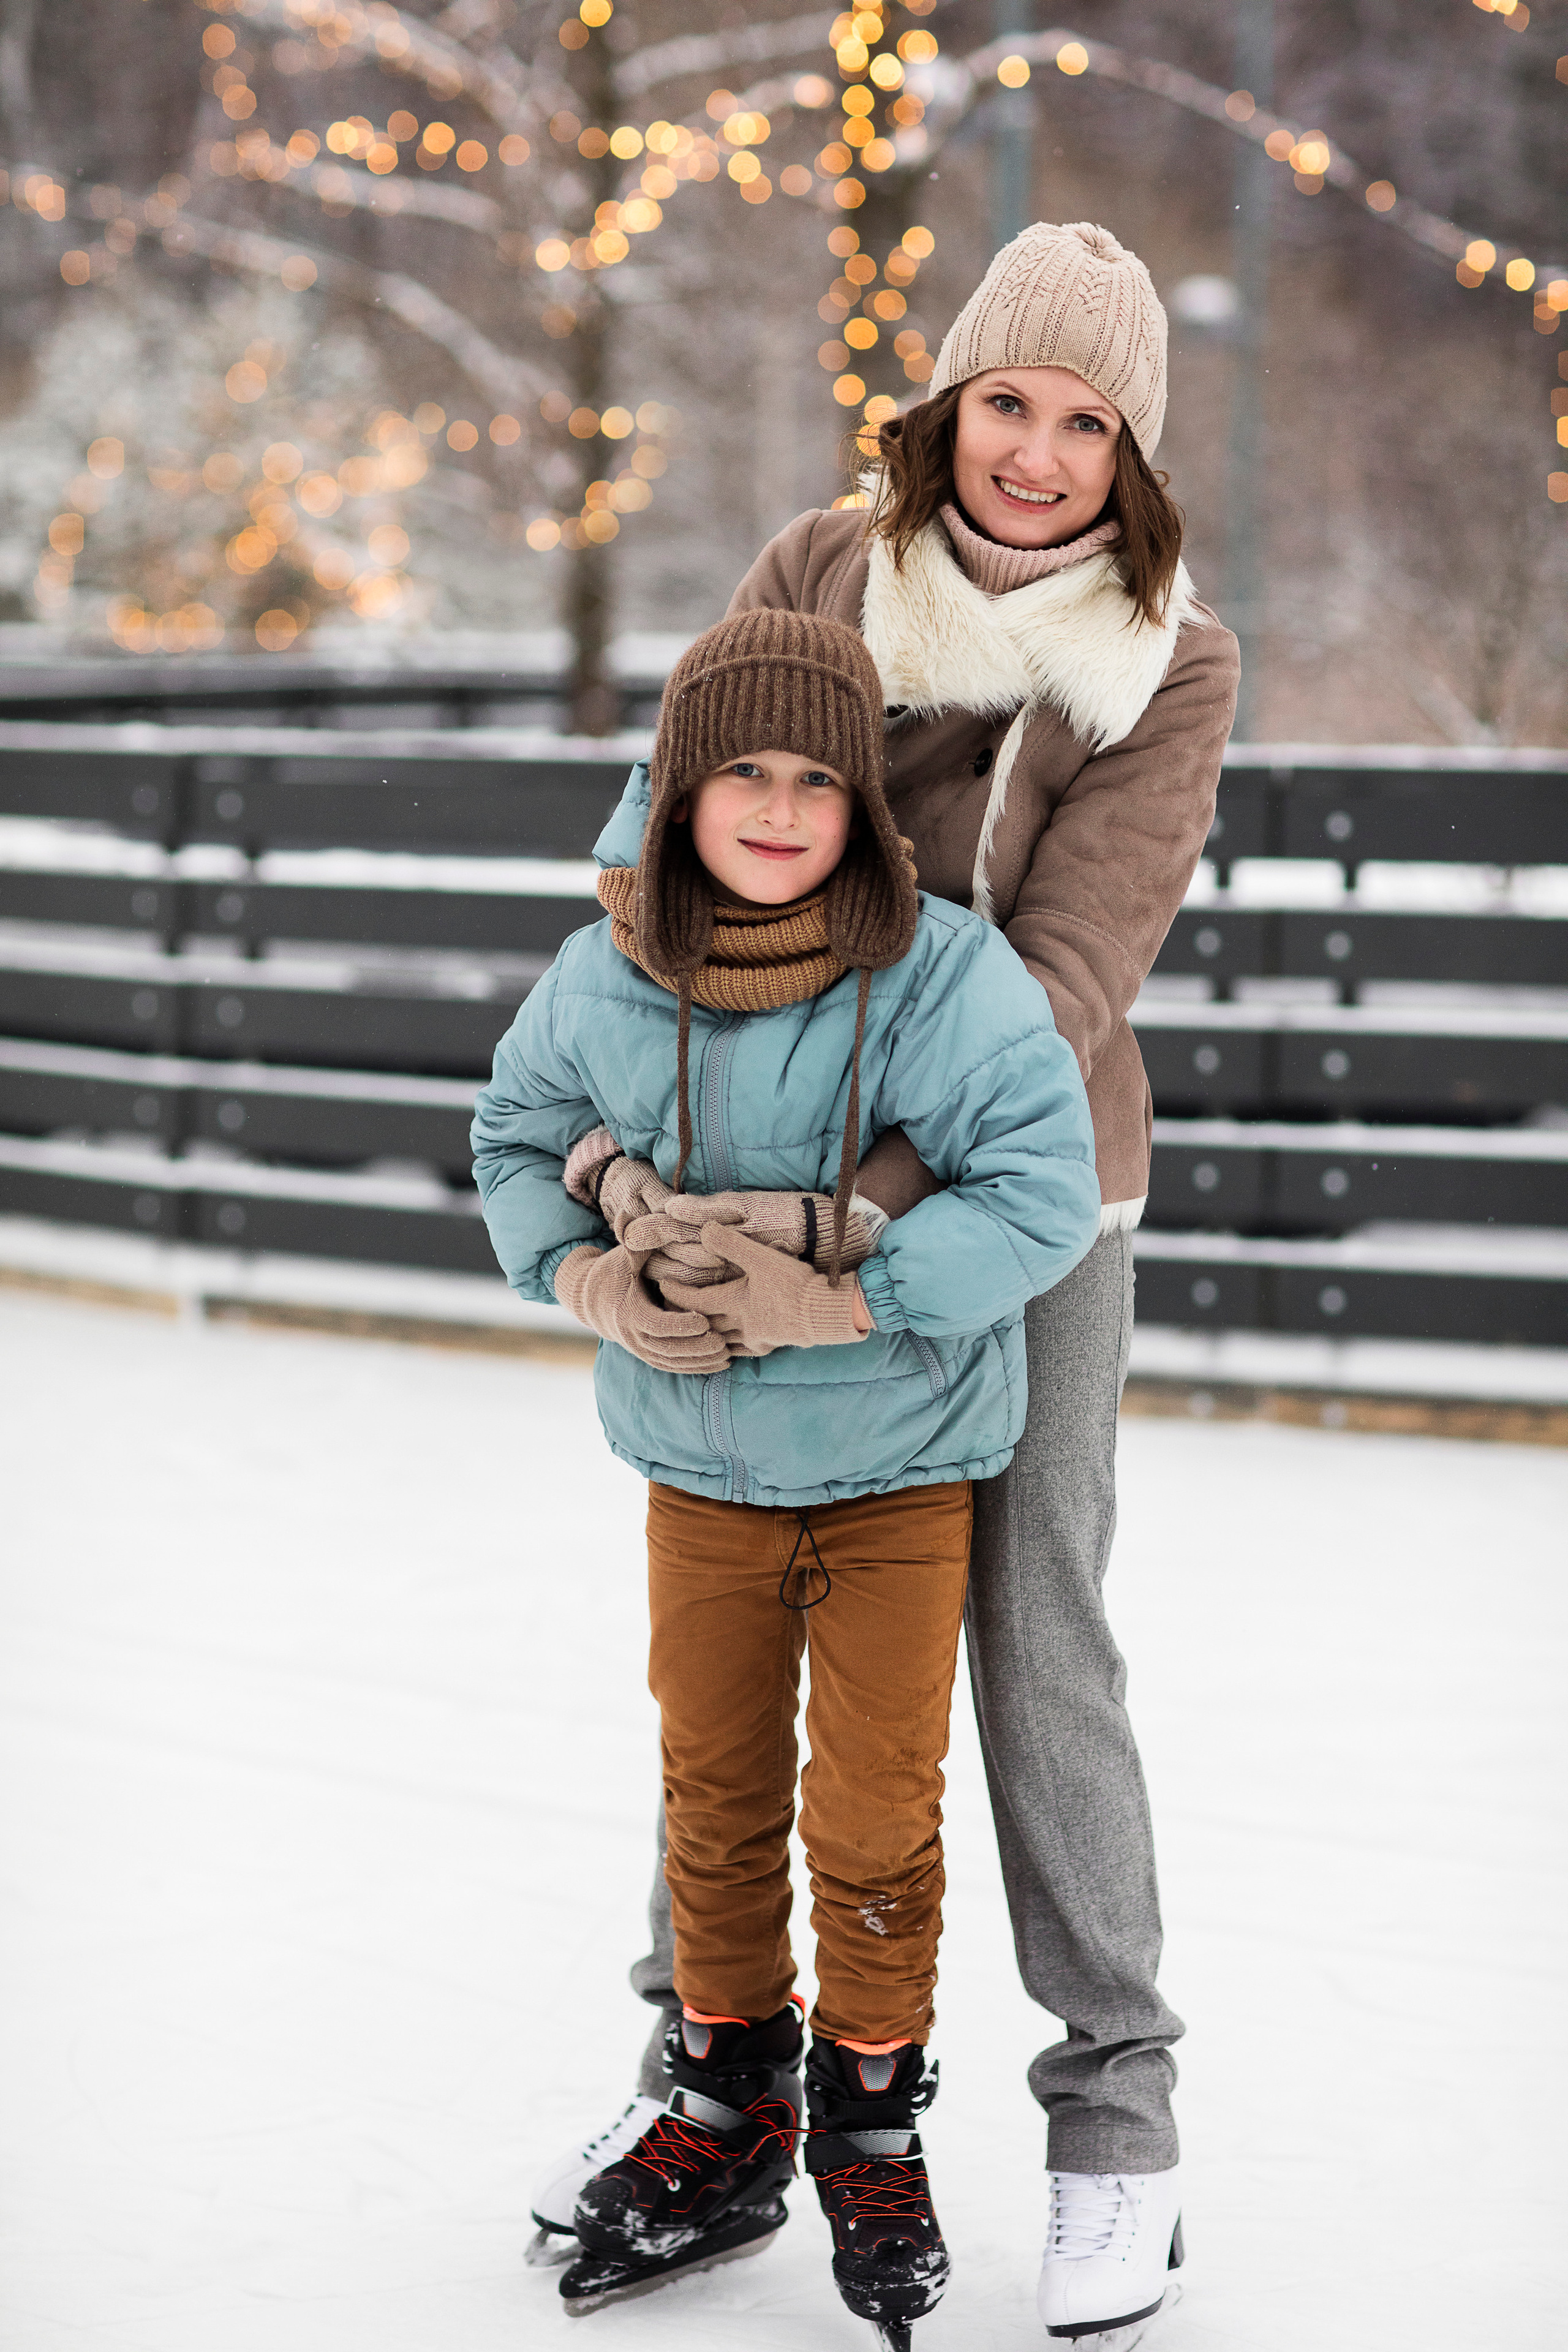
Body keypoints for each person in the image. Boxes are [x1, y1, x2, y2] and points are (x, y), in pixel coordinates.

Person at [529, 220, 1239, 2350]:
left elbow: (1072, 970)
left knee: (1029, 1637)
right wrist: (638, 1173)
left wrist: (844, 1213)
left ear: (1132, 456)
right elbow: (651, 831)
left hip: (1021, 1195)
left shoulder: (1169, 658)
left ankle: (1116, 2125)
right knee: (735, 1620)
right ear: (949, 401)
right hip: (737, 1167)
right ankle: (718, 2080)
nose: (1037, 453)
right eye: (1008, 400)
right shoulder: (826, 564)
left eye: (1088, 423)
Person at [472, 609, 1102, 2336]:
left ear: (861, 805)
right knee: (716, 1793)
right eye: (739, 771)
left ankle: (872, 2115)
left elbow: (1040, 1191)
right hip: (700, 1471)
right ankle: (725, 2093)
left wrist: (850, 1292)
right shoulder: (602, 973)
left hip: (901, 1470)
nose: (774, 806)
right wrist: (587, 1275)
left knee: (877, 1808)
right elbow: (514, 1133)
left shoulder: (943, 974)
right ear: (677, 789)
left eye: (815, 779)